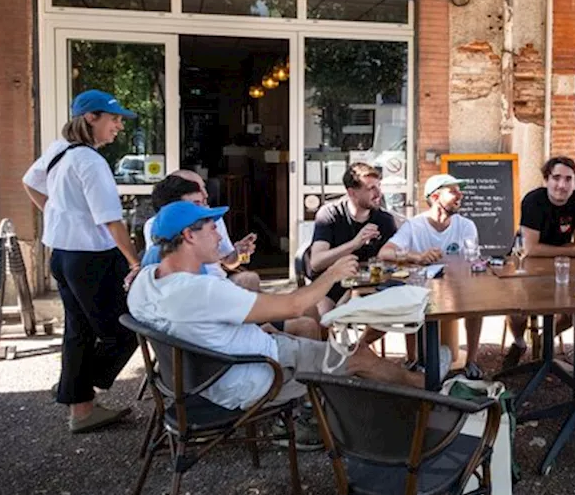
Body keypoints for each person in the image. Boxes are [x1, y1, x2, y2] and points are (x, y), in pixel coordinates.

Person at [128, 201, 444, 450]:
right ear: (188, 236)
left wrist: (250, 333)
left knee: (309, 334)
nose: (220, 235)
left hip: (203, 376)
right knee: (357, 355)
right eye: (212, 228)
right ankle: (429, 389)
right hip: (253, 376)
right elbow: (293, 303)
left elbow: (200, 329)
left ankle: (396, 396)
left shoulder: (144, 283)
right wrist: (333, 274)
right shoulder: (204, 290)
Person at [22, 89, 141, 434]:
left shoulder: (59, 150)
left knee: (79, 332)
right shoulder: (89, 161)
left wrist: (59, 215)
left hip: (62, 255)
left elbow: (30, 183)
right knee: (126, 329)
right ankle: (77, 392)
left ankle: (81, 407)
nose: (119, 126)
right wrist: (135, 262)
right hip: (93, 258)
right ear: (91, 118)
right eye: (114, 118)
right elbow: (111, 220)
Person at [141, 175, 319, 338]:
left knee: (307, 307)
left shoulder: (162, 268)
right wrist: (252, 329)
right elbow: (207, 320)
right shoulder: (186, 275)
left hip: (222, 313)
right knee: (306, 323)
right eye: (196, 203)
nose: (205, 202)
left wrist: (238, 253)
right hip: (231, 346)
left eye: (204, 196)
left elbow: (226, 262)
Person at [377, 174, 485, 378]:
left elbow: (472, 259)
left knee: (476, 305)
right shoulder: (414, 226)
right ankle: (413, 359)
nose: (460, 195)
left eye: (459, 191)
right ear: (435, 197)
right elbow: (384, 253)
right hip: (421, 288)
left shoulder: (466, 225)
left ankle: (471, 362)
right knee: (411, 298)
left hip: (457, 289)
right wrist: (416, 256)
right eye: (453, 191)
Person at [503, 156, 575, 369]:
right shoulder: (533, 201)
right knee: (515, 308)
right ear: (546, 180)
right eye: (556, 178)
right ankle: (519, 342)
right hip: (525, 263)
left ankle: (546, 338)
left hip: (562, 265)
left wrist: (564, 252)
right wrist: (570, 250)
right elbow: (530, 249)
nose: (561, 185)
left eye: (568, 179)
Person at [303, 162, 399, 316]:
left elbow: (394, 260)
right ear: (352, 193)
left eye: (378, 186)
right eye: (371, 188)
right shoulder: (330, 214)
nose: (378, 193)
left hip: (369, 287)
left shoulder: (384, 220)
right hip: (331, 284)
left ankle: (363, 341)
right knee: (323, 317)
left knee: (388, 313)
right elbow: (316, 262)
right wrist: (355, 243)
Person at [166, 169, 260, 291]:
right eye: (197, 190)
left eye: (204, 188)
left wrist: (238, 252)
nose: (205, 195)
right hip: (193, 289)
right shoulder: (158, 225)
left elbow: (228, 261)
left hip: (218, 283)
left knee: (250, 280)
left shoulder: (214, 217)